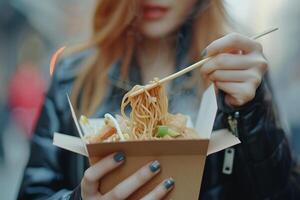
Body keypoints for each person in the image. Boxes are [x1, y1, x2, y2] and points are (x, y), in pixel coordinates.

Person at [18, 0, 300, 199]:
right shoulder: (73, 76)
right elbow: (33, 192)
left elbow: (283, 192)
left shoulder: (236, 73)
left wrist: (251, 112)